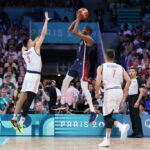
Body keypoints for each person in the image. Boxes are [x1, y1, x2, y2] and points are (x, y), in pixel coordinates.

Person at [51, 10, 97, 123]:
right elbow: (70, 30)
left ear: (87, 32)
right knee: (65, 81)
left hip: (84, 65)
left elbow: (75, 31)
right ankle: (62, 103)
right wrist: (77, 19)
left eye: (84, 29)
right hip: (76, 63)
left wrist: (79, 18)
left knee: (84, 87)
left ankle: (93, 111)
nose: (82, 30)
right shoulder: (82, 39)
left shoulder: (90, 40)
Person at [9, 12, 50, 134]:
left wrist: (34, 40)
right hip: (34, 76)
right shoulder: (35, 49)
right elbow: (43, 34)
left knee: (21, 99)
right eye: (32, 41)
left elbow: (30, 43)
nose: (34, 41)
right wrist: (46, 21)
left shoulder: (24, 51)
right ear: (30, 44)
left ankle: (14, 118)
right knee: (29, 99)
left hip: (28, 75)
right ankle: (21, 122)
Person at [95, 49, 131, 147]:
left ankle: (121, 126)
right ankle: (107, 140)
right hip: (119, 91)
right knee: (109, 116)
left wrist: (97, 93)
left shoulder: (101, 67)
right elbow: (128, 80)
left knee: (106, 117)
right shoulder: (120, 67)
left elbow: (98, 83)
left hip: (109, 91)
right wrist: (124, 91)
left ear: (105, 57)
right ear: (113, 57)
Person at [122, 67, 144, 138]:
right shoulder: (128, 80)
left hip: (135, 98)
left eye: (132, 71)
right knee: (132, 116)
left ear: (136, 72)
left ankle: (139, 133)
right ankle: (134, 132)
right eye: (130, 71)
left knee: (136, 116)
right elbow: (126, 92)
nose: (131, 73)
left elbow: (142, 92)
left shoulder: (138, 80)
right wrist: (123, 102)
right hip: (130, 99)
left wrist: (138, 101)